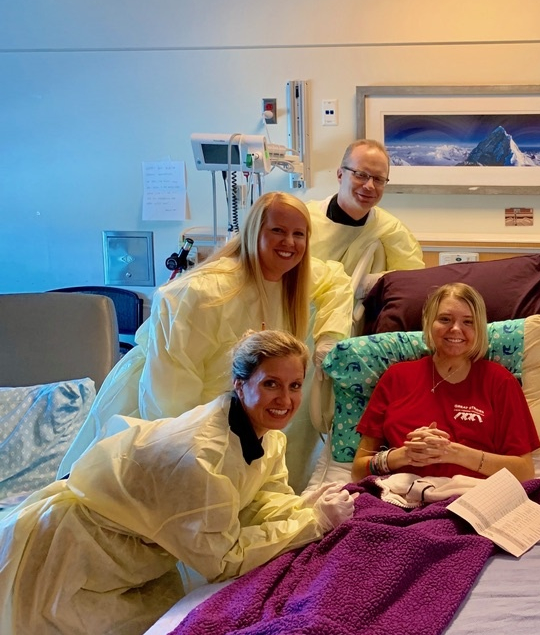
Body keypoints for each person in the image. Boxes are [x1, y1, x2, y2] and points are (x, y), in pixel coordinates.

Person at [0, 330, 358, 635]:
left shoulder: (268, 437)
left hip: (132, 559)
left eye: (295, 385)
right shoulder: (200, 457)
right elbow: (223, 560)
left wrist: (304, 507)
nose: (285, 398)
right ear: (240, 384)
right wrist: (310, 523)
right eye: (271, 384)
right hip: (73, 559)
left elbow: (262, 501)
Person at [59, 191, 354, 491]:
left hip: (231, 423)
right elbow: (170, 399)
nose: (289, 243)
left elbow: (337, 280)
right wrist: (193, 460)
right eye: (277, 230)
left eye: (298, 234)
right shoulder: (204, 294)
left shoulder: (297, 275)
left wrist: (330, 340)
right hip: (167, 420)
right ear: (254, 231)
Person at [351, 282, 539, 482]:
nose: (456, 329)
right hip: (402, 496)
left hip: (471, 497)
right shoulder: (396, 377)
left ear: (480, 329)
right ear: (429, 323)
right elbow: (358, 470)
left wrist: (453, 453)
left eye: (468, 322)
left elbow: (524, 471)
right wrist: (403, 455)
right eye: (445, 319)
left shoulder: (500, 381)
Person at [306, 139, 425, 274]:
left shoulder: (392, 231)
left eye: (378, 179)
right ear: (340, 175)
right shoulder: (304, 220)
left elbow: (410, 282)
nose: (369, 186)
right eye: (361, 175)